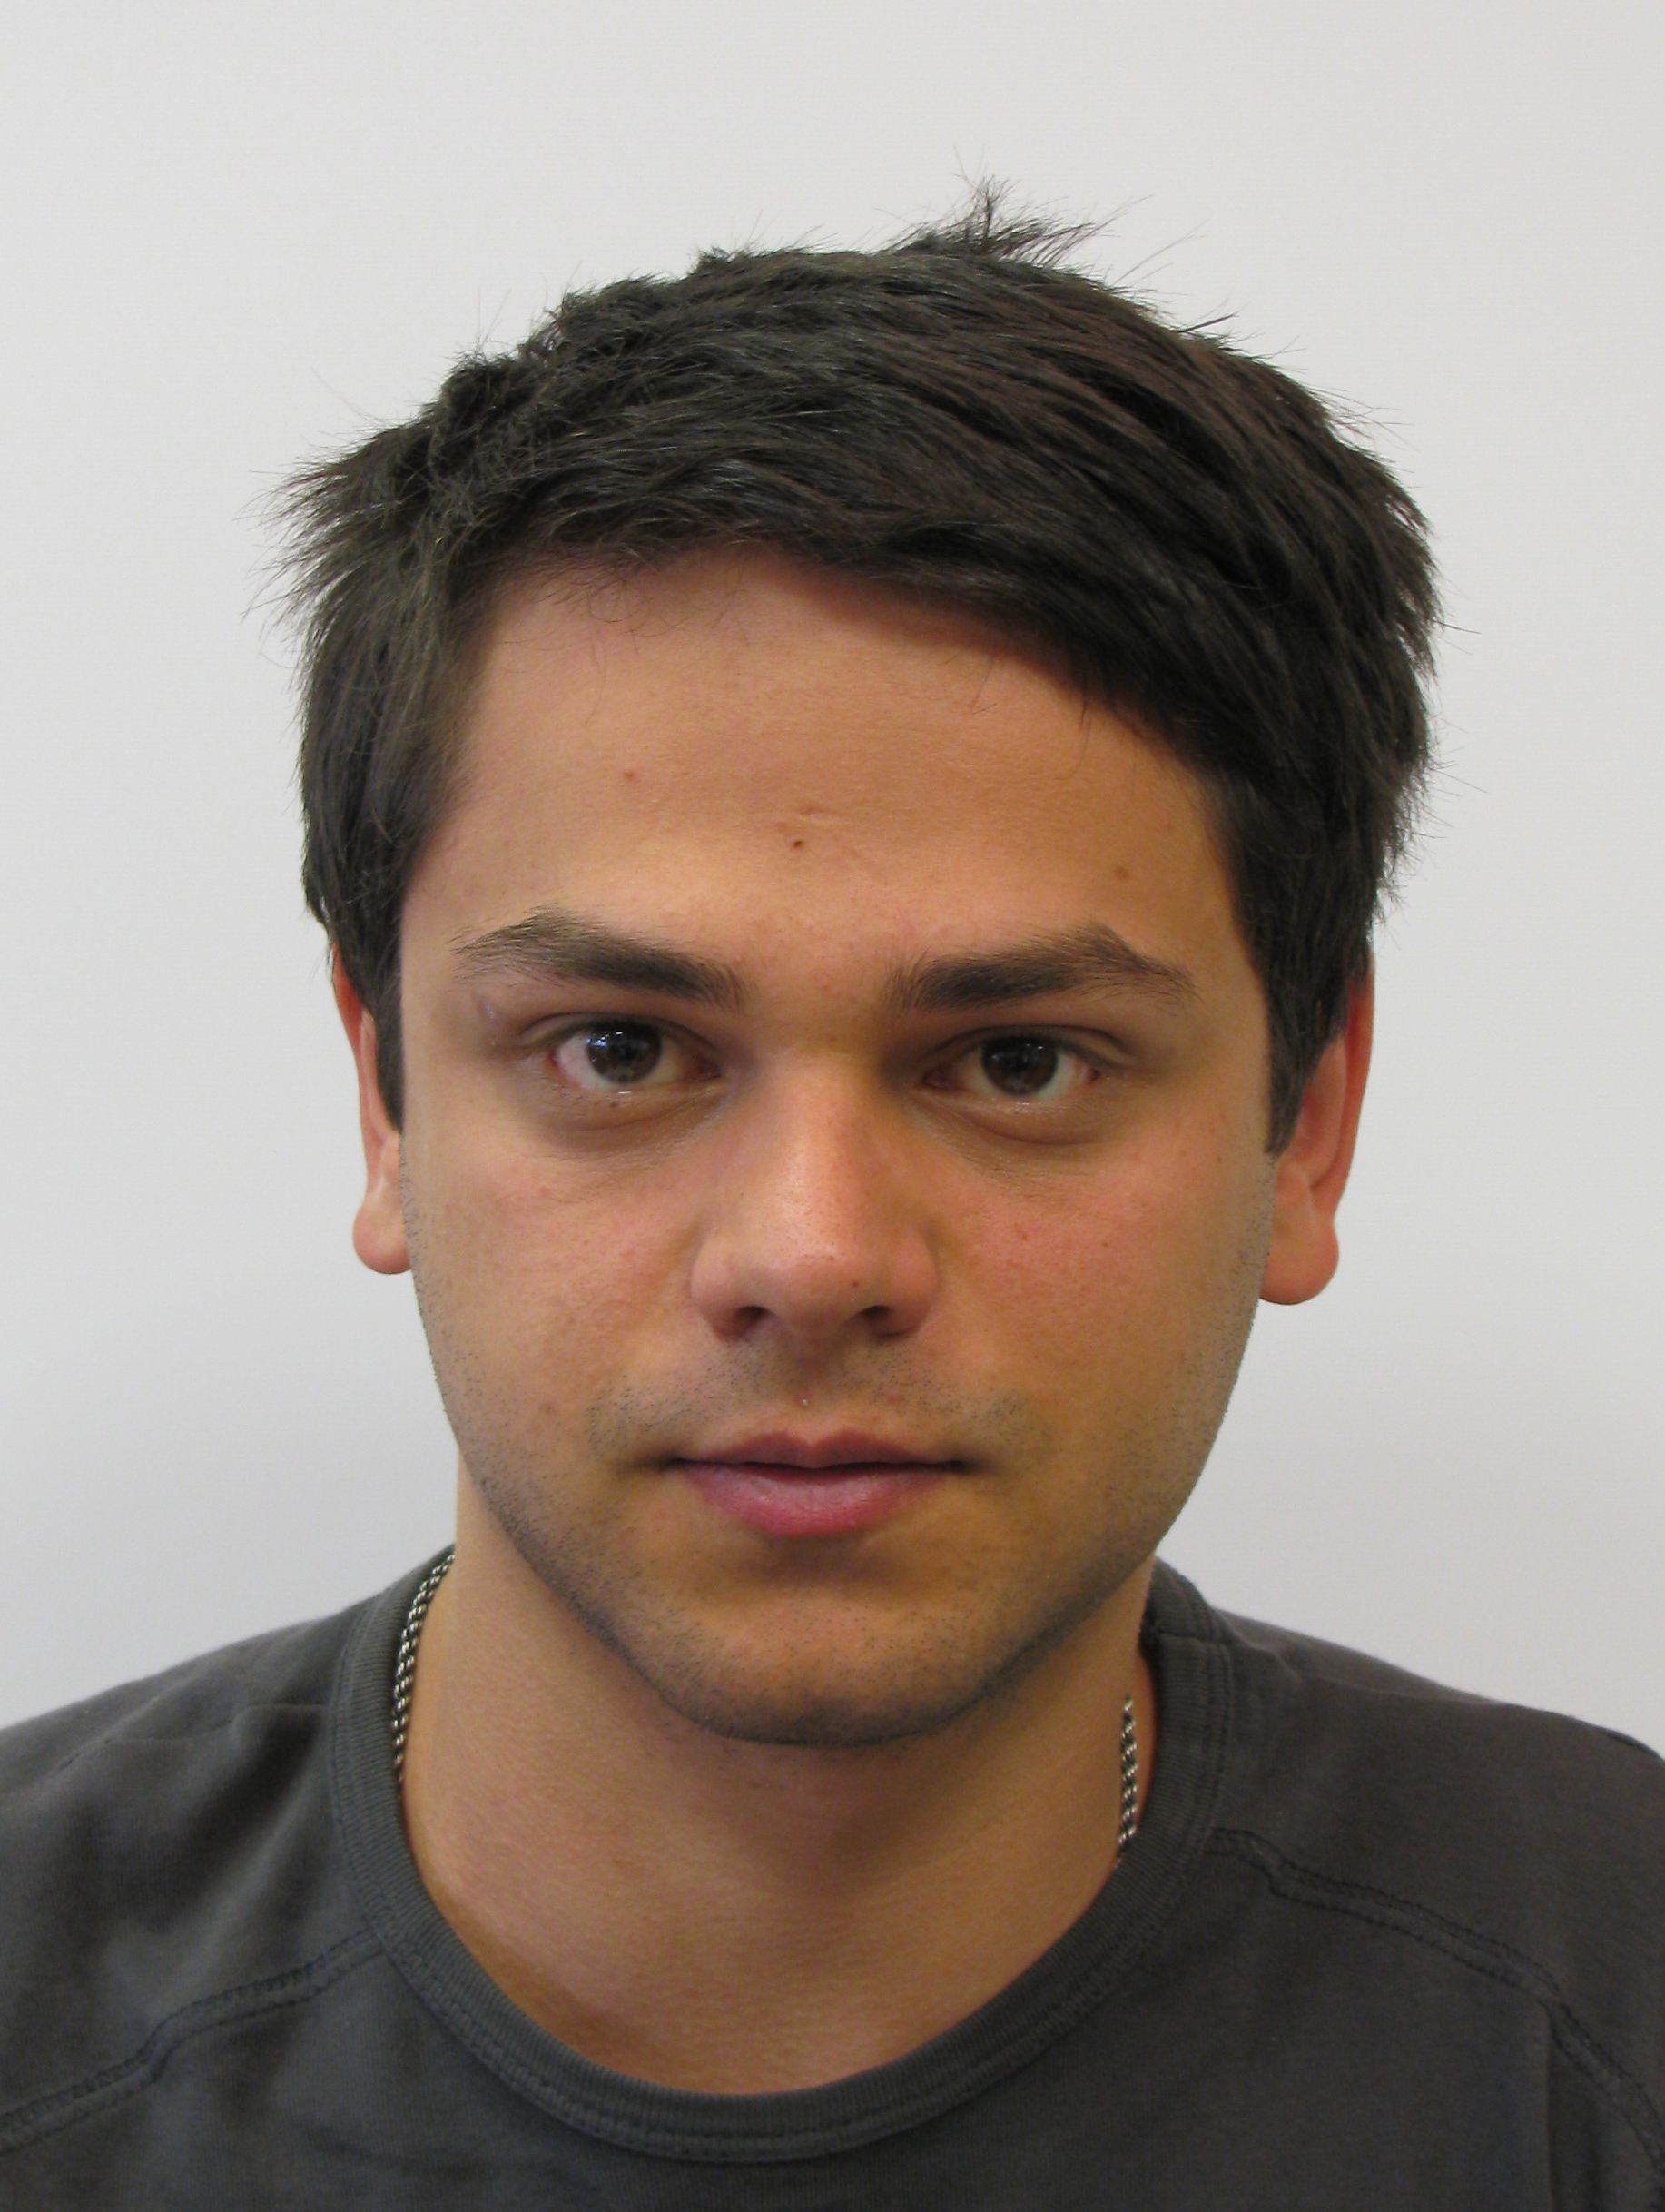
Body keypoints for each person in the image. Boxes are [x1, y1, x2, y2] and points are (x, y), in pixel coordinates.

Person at [2, 198, 1660, 2208]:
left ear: (1306, 1123)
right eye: (619, 1048)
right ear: (384, 1104)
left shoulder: (1604, 1996)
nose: (809, 1257)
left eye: (1019, 1060)